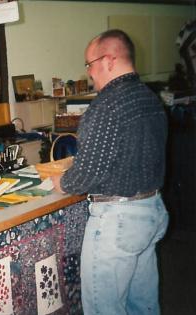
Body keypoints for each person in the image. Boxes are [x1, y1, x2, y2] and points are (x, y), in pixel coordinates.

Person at [51, 29, 169, 315]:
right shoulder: (150, 98)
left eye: (89, 65)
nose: (90, 74)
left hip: (118, 221)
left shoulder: (106, 106)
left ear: (109, 60)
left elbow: (87, 174)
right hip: (151, 211)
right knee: (143, 306)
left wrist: (62, 182)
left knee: (104, 309)